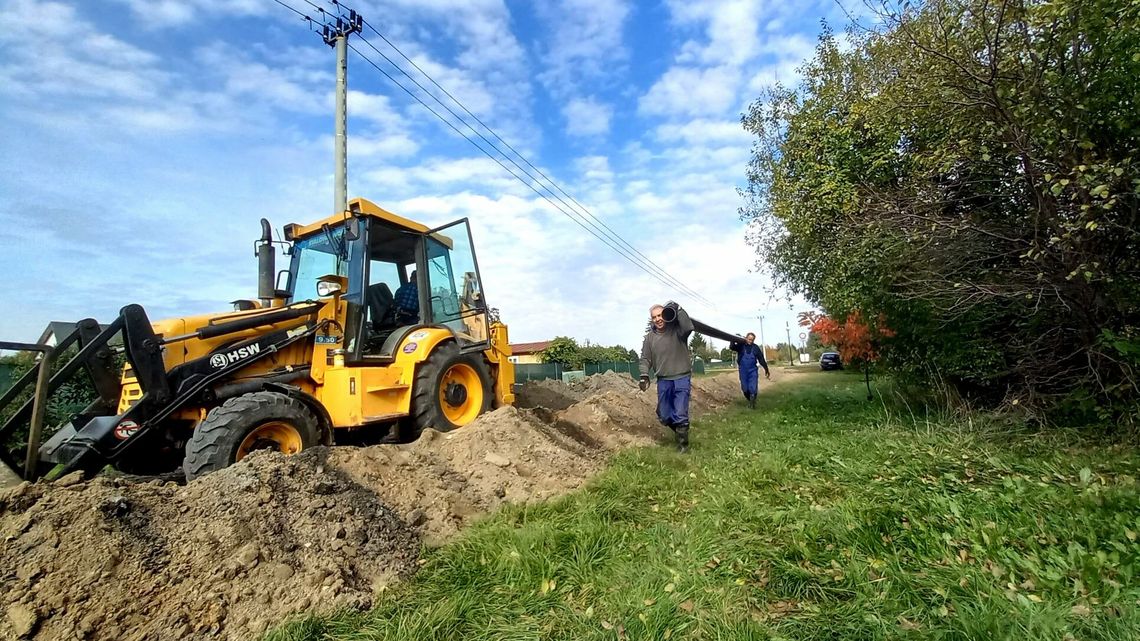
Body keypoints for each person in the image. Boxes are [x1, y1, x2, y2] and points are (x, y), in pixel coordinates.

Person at [638, 301, 695, 453]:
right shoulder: (650, 338)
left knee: (680, 412)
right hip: (663, 380)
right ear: (652, 319)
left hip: (681, 377)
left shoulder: (677, 330)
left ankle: (683, 446)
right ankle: (679, 430)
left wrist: (679, 309)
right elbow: (645, 358)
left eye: (660, 315)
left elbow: (689, 327)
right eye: (654, 317)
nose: (658, 319)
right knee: (663, 415)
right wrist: (644, 375)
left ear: (665, 315)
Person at [730, 332, 770, 409]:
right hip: (743, 370)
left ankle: (752, 405)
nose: (750, 341)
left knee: (753, 388)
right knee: (744, 388)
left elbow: (761, 359)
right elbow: (732, 347)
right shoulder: (741, 346)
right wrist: (733, 339)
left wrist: (766, 369)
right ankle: (751, 400)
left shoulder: (755, 348)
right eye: (749, 339)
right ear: (746, 338)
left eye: (752, 340)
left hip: (753, 370)